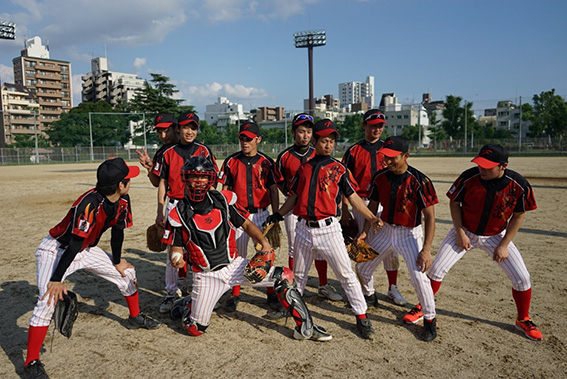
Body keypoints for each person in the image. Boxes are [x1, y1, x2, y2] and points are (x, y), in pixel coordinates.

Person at [163, 156, 332, 341]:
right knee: (195, 329)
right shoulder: (178, 212)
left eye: (203, 177)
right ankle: (189, 304)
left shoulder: (223, 201)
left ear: (210, 179)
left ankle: (306, 326)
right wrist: (176, 258)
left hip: (233, 266)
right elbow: (176, 247)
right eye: (193, 177)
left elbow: (246, 224)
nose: (198, 182)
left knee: (284, 276)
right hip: (206, 275)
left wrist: (264, 244)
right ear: (186, 179)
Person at [23, 158, 161, 379]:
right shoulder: (89, 203)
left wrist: (117, 262)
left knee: (127, 273)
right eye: (128, 179)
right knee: (47, 300)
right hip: (57, 250)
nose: (130, 182)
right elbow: (73, 244)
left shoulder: (123, 201)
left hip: (84, 249)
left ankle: (134, 317)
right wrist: (57, 279)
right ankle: (31, 361)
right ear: (120, 185)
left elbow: (117, 232)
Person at [267, 119, 382, 340]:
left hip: (329, 229)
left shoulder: (339, 169)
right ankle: (298, 317)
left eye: (331, 141)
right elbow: (294, 196)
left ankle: (362, 317)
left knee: (346, 274)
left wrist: (370, 216)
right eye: (324, 140)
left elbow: (353, 197)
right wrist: (278, 215)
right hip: (303, 228)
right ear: (316, 141)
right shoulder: (304, 168)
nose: (328, 145)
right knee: (298, 277)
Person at [423, 143, 543, 341]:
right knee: (436, 270)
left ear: (503, 166)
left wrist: (504, 244)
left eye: (487, 166)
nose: (481, 168)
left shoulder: (518, 184)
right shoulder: (469, 177)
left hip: (496, 235)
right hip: (465, 230)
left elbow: (519, 215)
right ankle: (423, 307)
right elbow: (454, 202)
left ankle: (523, 319)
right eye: (480, 163)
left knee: (522, 278)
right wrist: (460, 232)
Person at [355, 136, 439, 341]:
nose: (388, 161)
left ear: (406, 156)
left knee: (419, 277)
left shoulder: (420, 180)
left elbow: (430, 216)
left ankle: (430, 320)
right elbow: (372, 207)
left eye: (393, 157)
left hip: (409, 234)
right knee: (362, 268)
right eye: (386, 157)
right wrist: (366, 231)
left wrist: (426, 249)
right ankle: (370, 294)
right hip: (385, 230)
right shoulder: (380, 177)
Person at [153, 111, 218, 314]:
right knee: (172, 251)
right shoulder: (168, 152)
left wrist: (214, 206)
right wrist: (160, 210)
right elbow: (162, 182)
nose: (189, 131)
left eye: (193, 127)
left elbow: (213, 180)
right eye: (185, 127)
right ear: (178, 129)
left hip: (198, 205)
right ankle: (171, 292)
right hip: (174, 205)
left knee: (199, 248)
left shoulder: (204, 150)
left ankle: (198, 290)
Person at [274, 113, 343, 302]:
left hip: (319, 210)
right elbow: (279, 180)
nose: (304, 135)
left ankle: (323, 285)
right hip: (294, 208)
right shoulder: (285, 156)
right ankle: (293, 285)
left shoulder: (319, 152)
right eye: (301, 131)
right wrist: (290, 194)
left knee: (321, 249)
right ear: (293, 132)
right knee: (294, 248)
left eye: (308, 132)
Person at [342, 109, 406, 306]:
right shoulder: (353, 151)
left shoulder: (389, 150)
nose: (377, 129)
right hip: (361, 202)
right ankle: (366, 288)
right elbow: (344, 184)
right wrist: (345, 211)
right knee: (363, 243)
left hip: (386, 202)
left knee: (391, 247)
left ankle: (392, 287)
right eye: (373, 125)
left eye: (380, 125)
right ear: (364, 126)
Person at [218, 122, 281, 312]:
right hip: (238, 215)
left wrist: (275, 216)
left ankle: (270, 292)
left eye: (249, 139)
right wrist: (224, 213)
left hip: (261, 214)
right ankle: (235, 294)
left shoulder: (267, 162)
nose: (245, 142)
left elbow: (273, 190)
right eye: (242, 138)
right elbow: (225, 189)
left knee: (265, 254)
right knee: (237, 256)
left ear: (258, 140)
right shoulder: (231, 161)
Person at [136, 113, 179, 187]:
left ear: (175, 129)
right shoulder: (161, 153)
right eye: (159, 132)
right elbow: (157, 183)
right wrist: (150, 168)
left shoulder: (191, 147)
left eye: (166, 131)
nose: (163, 136)